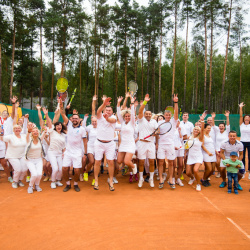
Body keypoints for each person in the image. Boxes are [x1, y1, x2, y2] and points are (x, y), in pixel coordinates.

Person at [60, 103, 87, 192]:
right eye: (73, 118)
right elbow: (63, 114)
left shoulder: (82, 129)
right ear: (71, 119)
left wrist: (85, 153)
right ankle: (67, 184)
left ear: (79, 119)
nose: (75, 119)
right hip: (68, 151)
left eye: (76, 118)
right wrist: (61, 105)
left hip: (77, 152)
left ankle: (75, 183)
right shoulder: (69, 125)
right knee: (64, 168)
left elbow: (85, 142)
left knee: (76, 170)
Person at [93, 96, 117, 191]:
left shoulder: (114, 118)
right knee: (97, 162)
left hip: (110, 144)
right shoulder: (99, 116)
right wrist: (104, 103)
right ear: (104, 110)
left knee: (111, 162)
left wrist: (107, 118)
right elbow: (98, 111)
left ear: (112, 112)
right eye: (106, 110)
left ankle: (111, 181)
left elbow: (111, 120)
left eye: (110, 110)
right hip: (99, 143)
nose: (108, 111)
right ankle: (96, 181)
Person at [156, 94, 179, 189]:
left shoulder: (173, 121)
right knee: (160, 162)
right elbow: (157, 133)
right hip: (161, 145)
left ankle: (170, 179)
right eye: (166, 114)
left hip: (170, 145)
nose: (168, 116)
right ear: (164, 115)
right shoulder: (160, 122)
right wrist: (157, 143)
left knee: (171, 163)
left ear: (171, 115)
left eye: (169, 115)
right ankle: (161, 178)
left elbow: (176, 113)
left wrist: (176, 102)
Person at [137, 94, 158, 188]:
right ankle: (141, 178)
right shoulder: (141, 120)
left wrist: (156, 132)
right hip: (142, 143)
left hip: (151, 144)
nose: (148, 115)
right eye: (147, 114)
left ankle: (151, 179)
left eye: (149, 114)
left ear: (151, 115)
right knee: (141, 162)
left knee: (151, 162)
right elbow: (140, 110)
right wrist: (145, 102)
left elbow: (158, 130)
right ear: (144, 115)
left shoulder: (154, 122)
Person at [44, 108, 66, 189]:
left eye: (60, 125)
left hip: (59, 153)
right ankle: (53, 181)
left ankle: (58, 180)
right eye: (57, 125)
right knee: (55, 168)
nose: (59, 127)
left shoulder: (63, 136)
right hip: (52, 152)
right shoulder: (52, 132)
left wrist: (64, 152)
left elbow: (64, 146)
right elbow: (49, 123)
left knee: (60, 169)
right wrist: (46, 114)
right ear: (55, 127)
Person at [116, 95, 137, 182]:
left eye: (129, 116)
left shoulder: (132, 123)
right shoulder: (122, 122)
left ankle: (133, 166)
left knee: (127, 161)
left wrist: (132, 103)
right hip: (123, 145)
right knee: (119, 161)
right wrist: (118, 103)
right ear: (124, 117)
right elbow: (118, 113)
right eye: (126, 116)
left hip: (130, 144)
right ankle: (131, 161)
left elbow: (132, 113)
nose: (127, 117)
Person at [0, 124, 27, 188]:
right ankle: (15, 182)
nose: (17, 129)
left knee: (24, 169)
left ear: (21, 129)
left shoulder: (24, 136)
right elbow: (2, 139)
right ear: (13, 130)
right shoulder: (10, 136)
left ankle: (19, 180)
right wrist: (1, 133)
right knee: (18, 169)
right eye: (15, 128)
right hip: (12, 156)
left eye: (18, 128)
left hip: (22, 155)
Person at [186, 112, 206, 191]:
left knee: (195, 170)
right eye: (195, 129)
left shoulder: (200, 138)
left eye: (198, 130)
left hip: (198, 156)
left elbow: (202, 130)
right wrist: (185, 153)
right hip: (190, 156)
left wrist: (202, 121)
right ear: (193, 130)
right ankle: (192, 178)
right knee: (188, 173)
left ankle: (198, 184)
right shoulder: (190, 137)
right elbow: (187, 146)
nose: (196, 130)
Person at [25, 123, 46, 194]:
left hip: (38, 159)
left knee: (39, 174)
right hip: (29, 160)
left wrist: (45, 130)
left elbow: (44, 132)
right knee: (34, 174)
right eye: (33, 131)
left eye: (36, 131)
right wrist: (28, 131)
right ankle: (30, 186)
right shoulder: (28, 139)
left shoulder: (40, 139)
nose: (35, 132)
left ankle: (37, 185)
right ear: (31, 132)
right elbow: (27, 136)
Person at [212, 111, 230, 178]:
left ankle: (227, 173)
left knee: (226, 162)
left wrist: (227, 117)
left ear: (224, 127)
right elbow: (213, 125)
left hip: (225, 150)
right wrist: (213, 118)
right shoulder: (217, 131)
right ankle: (220, 172)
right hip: (218, 150)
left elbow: (228, 125)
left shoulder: (227, 132)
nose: (221, 127)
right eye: (220, 126)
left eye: (222, 126)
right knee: (217, 163)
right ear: (218, 127)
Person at [239, 102, 250, 178]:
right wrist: (240, 107)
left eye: (248, 117)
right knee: (242, 157)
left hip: (249, 142)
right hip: (242, 142)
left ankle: (249, 172)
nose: (246, 118)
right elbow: (240, 116)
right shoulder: (241, 124)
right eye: (245, 117)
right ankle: (243, 171)